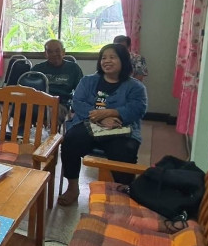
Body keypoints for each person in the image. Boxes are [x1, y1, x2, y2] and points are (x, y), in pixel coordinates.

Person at [58, 44, 148, 206]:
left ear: (123, 61)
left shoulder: (135, 87)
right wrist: (99, 118)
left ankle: (122, 192)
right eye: (104, 58)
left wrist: (110, 112)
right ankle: (72, 188)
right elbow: (77, 103)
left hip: (120, 128)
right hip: (89, 124)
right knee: (70, 141)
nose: (107, 61)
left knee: (124, 150)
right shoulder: (88, 81)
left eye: (112, 57)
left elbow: (137, 109)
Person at [32, 39, 83, 109]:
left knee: (52, 111)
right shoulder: (37, 69)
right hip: (40, 103)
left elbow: (81, 92)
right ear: (45, 54)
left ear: (63, 52)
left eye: (57, 51)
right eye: (50, 52)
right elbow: (29, 91)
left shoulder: (73, 68)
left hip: (61, 104)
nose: (54, 54)